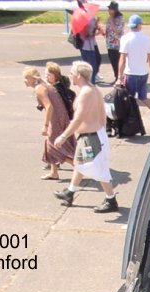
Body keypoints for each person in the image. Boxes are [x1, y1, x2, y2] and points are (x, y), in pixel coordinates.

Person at [53, 61, 118, 213]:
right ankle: (70, 192)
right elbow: (102, 115)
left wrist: (63, 136)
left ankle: (111, 199)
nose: (69, 76)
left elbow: (78, 119)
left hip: (91, 138)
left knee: (97, 169)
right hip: (92, 135)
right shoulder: (94, 90)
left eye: (71, 73)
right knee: (80, 164)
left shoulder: (86, 92)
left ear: (78, 76)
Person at [22, 67, 75, 181]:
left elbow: (49, 107)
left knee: (54, 146)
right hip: (61, 116)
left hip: (56, 118)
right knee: (49, 143)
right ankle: (53, 172)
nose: (24, 81)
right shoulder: (44, 85)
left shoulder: (39, 88)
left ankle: (80, 167)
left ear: (32, 78)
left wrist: (45, 125)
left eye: (26, 78)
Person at [118, 14, 150, 124]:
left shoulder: (125, 39)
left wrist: (119, 77)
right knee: (144, 98)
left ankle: (129, 122)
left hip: (130, 74)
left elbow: (122, 59)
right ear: (140, 25)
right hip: (143, 74)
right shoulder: (146, 39)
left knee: (128, 100)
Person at [77, 7, 103, 84]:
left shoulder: (92, 18)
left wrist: (96, 26)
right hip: (86, 47)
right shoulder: (83, 21)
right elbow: (85, 35)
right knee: (91, 68)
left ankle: (90, 82)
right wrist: (90, 30)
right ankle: (90, 83)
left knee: (96, 62)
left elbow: (94, 33)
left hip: (91, 45)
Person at [104, 2, 124, 83]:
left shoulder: (119, 18)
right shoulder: (110, 18)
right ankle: (116, 77)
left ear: (114, 10)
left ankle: (120, 78)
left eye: (110, 9)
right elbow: (108, 31)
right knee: (113, 62)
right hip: (110, 44)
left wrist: (111, 22)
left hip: (117, 44)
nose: (108, 10)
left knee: (117, 62)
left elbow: (118, 31)